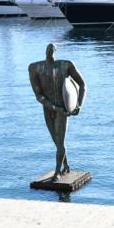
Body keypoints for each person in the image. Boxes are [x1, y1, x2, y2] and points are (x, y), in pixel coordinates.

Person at [28, 43, 86, 181]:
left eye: (52, 49)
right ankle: (66, 165)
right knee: (56, 140)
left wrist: (78, 105)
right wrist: (53, 107)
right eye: (48, 49)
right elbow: (38, 95)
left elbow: (82, 84)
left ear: (55, 51)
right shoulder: (34, 68)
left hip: (63, 110)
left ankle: (57, 172)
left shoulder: (66, 65)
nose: (50, 51)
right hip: (48, 109)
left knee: (60, 142)